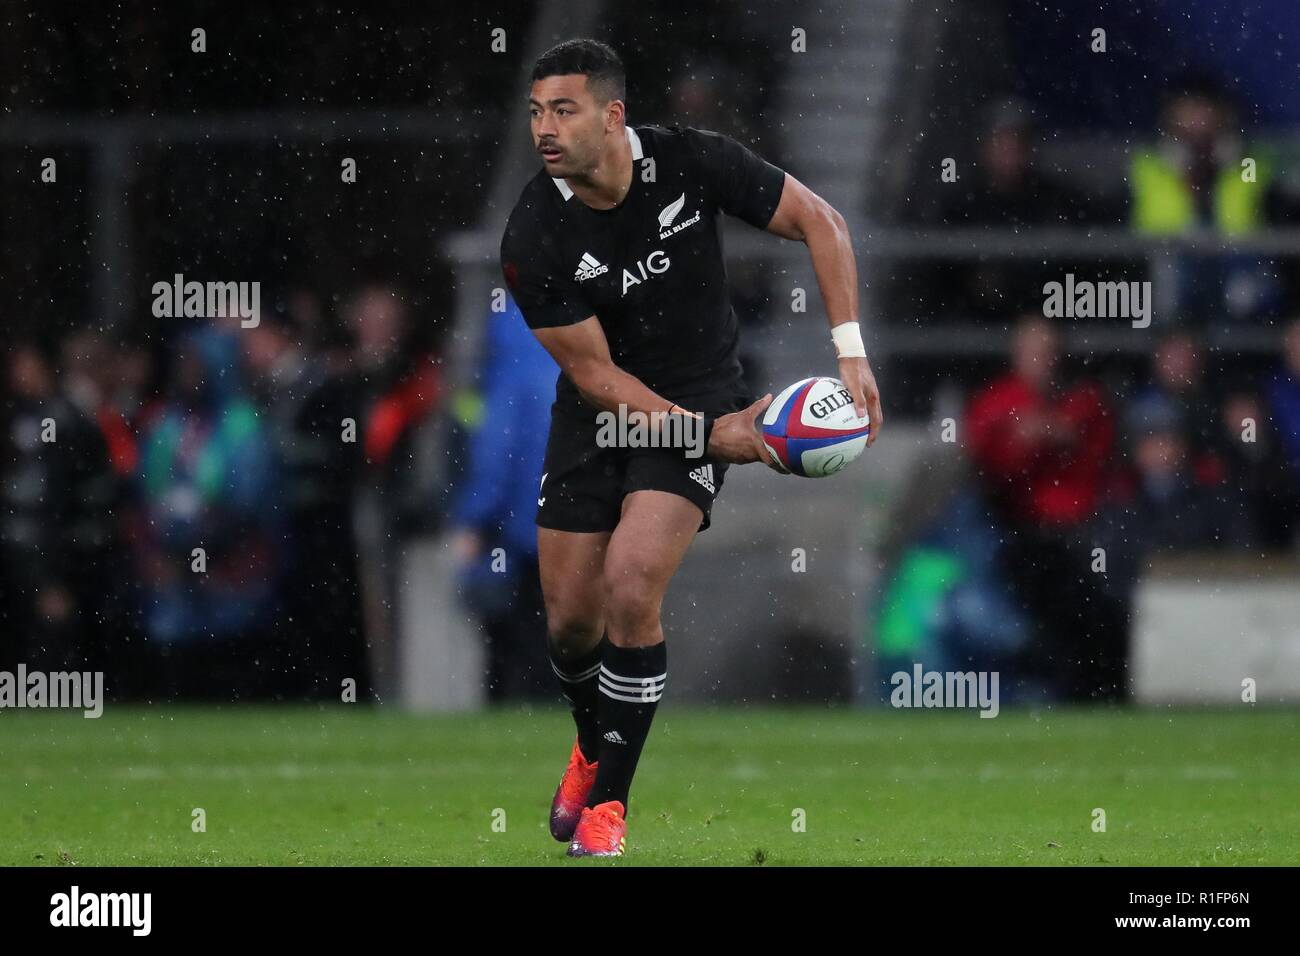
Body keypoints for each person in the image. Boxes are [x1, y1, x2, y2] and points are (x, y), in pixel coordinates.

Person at [499, 39, 883, 857]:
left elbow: (823, 220)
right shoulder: (534, 231)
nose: (544, 128)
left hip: (699, 388)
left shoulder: (691, 162)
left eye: (563, 110)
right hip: (599, 412)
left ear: (613, 115)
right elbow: (599, 379)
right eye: (536, 112)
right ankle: (588, 740)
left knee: (631, 584)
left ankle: (609, 807)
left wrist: (849, 348)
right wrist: (721, 437)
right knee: (571, 622)